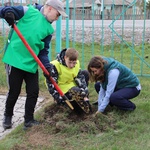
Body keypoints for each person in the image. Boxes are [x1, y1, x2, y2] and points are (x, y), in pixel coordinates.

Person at [0, 0, 68, 129]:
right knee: (14, 91)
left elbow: (43, 51)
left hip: (31, 63)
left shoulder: (49, 29)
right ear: (49, 9)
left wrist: (47, 67)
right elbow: (3, 11)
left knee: (33, 91)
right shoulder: (28, 11)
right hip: (15, 59)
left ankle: (29, 120)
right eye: (58, 15)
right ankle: (8, 116)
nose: (58, 18)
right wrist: (8, 13)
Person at [45, 48, 91, 113]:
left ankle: (83, 102)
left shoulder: (77, 63)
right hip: (61, 88)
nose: (72, 65)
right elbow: (51, 85)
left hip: (71, 84)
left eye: (74, 63)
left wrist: (85, 94)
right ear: (65, 57)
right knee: (76, 93)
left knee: (85, 73)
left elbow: (81, 79)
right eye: (70, 62)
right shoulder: (54, 66)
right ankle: (77, 105)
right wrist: (60, 100)